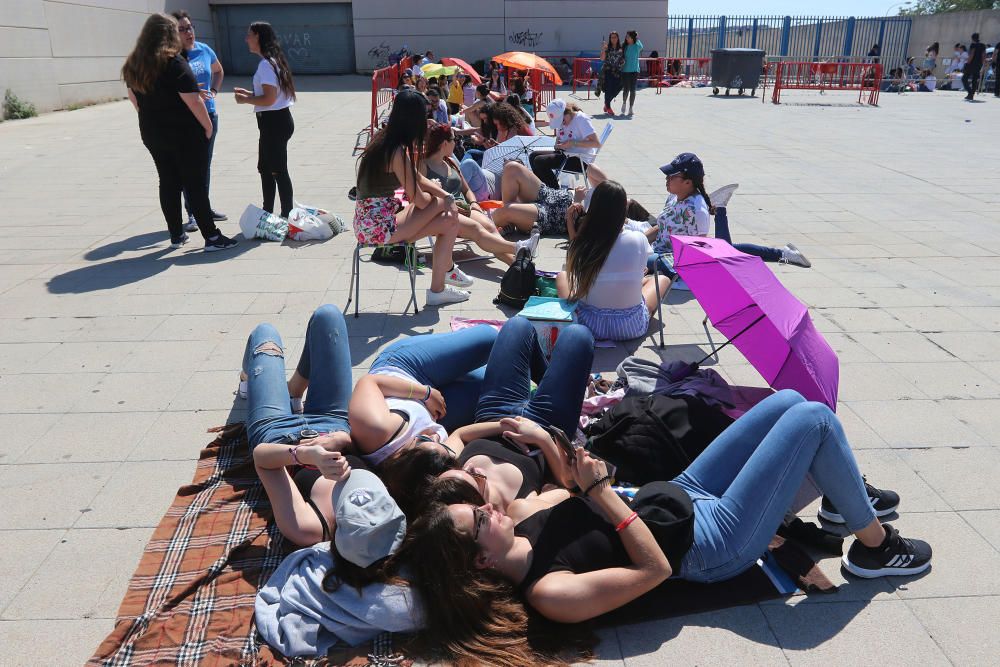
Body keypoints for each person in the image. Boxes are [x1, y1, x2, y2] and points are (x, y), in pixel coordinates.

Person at [405, 390, 932, 663]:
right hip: (709, 543)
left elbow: (565, 487)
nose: (488, 507)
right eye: (478, 519)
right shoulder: (550, 593)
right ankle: (875, 549)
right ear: (480, 560)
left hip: (678, 492)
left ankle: (847, 502)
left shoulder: (518, 520)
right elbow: (654, 570)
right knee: (814, 419)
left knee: (787, 402)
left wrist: (554, 449)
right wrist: (601, 495)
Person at [121, 13, 237, 251]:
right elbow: (194, 101)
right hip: (184, 135)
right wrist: (207, 126)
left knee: (168, 182)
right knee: (195, 184)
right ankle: (212, 238)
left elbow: (134, 98)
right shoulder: (174, 63)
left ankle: (176, 235)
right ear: (168, 34)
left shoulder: (134, 64)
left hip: (153, 134)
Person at [242, 304, 356, 546]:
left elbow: (261, 457)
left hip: (277, 433)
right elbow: (376, 442)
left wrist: (303, 454)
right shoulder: (395, 505)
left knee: (265, 334)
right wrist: (343, 439)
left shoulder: (310, 529)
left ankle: (249, 378)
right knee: (329, 316)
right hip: (333, 421)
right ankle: (293, 390)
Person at [353, 90, 474, 306]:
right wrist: (442, 199)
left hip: (370, 223)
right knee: (444, 209)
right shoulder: (396, 151)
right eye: (423, 116)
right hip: (379, 228)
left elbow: (417, 177)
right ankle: (445, 273)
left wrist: (444, 194)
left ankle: (443, 281)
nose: (426, 122)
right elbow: (419, 200)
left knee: (448, 219)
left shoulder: (384, 141)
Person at [630, 153, 810, 274]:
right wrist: (637, 242)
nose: (667, 179)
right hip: (659, 251)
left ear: (688, 182)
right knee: (730, 250)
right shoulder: (673, 196)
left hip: (673, 260)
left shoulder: (696, 210)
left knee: (727, 251)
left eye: (672, 176)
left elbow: (701, 249)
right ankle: (783, 254)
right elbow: (660, 228)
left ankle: (721, 209)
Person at [556, 181, 669, 341]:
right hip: (631, 327)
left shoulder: (584, 242)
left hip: (589, 325)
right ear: (624, 208)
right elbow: (641, 267)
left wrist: (570, 219)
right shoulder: (638, 238)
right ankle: (644, 314)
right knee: (661, 279)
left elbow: (575, 265)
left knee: (562, 276)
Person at [420, 123, 539, 264]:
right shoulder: (423, 166)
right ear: (445, 143)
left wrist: (474, 203)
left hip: (465, 208)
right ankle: (520, 248)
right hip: (443, 213)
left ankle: (516, 264)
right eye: (454, 140)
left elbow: (466, 190)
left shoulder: (450, 162)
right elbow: (420, 197)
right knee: (478, 229)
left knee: (490, 226)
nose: (456, 143)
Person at [234, 22, 297, 219]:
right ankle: (267, 211)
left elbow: (269, 99)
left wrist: (246, 99)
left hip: (274, 122)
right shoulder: (272, 61)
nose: (246, 39)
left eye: (249, 35)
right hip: (276, 121)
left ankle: (286, 215)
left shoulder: (266, 64)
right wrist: (251, 94)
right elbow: (271, 95)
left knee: (277, 170)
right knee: (265, 168)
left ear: (258, 37)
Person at [171, 10, 226, 232]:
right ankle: (193, 212)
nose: (188, 32)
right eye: (182, 29)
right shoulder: (173, 57)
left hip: (209, 115)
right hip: (187, 118)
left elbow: (219, 71)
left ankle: (204, 207)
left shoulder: (204, 50)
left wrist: (213, 91)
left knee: (204, 165)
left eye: (190, 27)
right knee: (190, 167)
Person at [492, 160, 604, 236]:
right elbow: (591, 168)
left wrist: (577, 202)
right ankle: (510, 223)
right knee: (512, 167)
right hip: (550, 194)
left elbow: (575, 239)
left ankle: (508, 220)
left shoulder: (604, 222)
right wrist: (616, 194)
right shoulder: (609, 196)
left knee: (502, 212)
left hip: (549, 217)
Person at [528, 98, 600, 189]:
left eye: (562, 121)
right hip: (566, 154)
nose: (562, 124)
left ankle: (555, 192)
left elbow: (596, 143)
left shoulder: (581, 119)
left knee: (539, 161)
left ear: (567, 113)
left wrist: (572, 143)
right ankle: (544, 188)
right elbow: (560, 138)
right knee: (533, 156)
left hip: (580, 159)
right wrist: (558, 144)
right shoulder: (564, 120)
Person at [601, 31, 625, 115]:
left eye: (615, 37)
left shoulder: (621, 48)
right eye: (612, 37)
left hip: (618, 71)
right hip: (608, 70)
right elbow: (602, 58)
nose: (613, 39)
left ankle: (606, 104)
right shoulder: (607, 47)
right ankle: (608, 107)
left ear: (618, 38)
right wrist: (603, 49)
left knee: (618, 87)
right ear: (609, 39)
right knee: (608, 89)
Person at [621, 30, 643, 115]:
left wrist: (636, 37)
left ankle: (631, 107)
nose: (626, 38)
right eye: (626, 36)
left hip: (634, 70)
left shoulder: (637, 46)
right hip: (625, 70)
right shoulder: (624, 46)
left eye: (628, 37)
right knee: (626, 89)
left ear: (633, 38)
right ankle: (624, 103)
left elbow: (641, 46)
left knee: (633, 90)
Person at [964, 33, 986, 100]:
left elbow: (972, 54)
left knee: (964, 78)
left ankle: (970, 92)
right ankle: (971, 95)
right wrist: (982, 64)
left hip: (971, 65)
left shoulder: (973, 45)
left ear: (972, 38)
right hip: (978, 65)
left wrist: (967, 63)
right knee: (974, 80)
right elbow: (983, 55)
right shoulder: (983, 45)